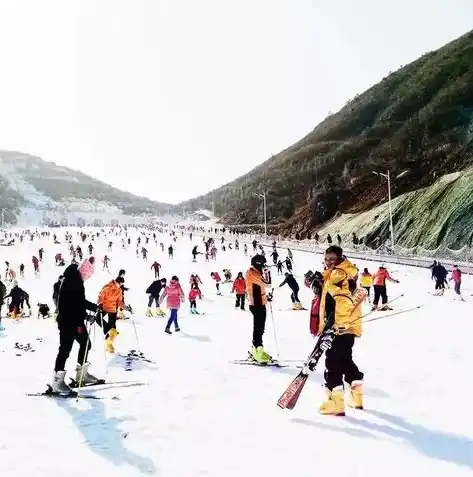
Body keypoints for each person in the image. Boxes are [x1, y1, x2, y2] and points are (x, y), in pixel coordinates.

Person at [317, 245, 365, 416]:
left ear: (339, 258)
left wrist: (338, 326)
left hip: (339, 327)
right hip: (348, 326)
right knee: (345, 360)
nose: (328, 261)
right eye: (326, 258)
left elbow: (342, 301)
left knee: (333, 363)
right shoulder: (346, 272)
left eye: (332, 258)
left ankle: (335, 403)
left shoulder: (338, 274)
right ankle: (357, 395)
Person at [51, 263, 100, 395]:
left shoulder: (75, 281)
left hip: (75, 321)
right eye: (87, 275)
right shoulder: (72, 283)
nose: (87, 278)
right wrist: (83, 318)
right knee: (65, 350)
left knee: (86, 344)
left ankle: (82, 375)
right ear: (83, 273)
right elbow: (70, 306)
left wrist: (93, 309)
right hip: (68, 322)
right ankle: (57, 383)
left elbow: (78, 303)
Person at [245, 254, 272, 364]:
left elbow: (259, 288)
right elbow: (268, 283)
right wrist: (267, 272)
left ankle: (257, 348)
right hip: (257, 305)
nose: (264, 266)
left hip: (259, 303)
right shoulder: (253, 273)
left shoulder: (255, 272)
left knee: (260, 328)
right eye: (263, 264)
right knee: (258, 329)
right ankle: (257, 350)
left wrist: (266, 297)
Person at [97, 276, 125, 353]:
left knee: (112, 326)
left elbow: (119, 301)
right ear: (117, 282)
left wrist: (125, 307)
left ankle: (109, 344)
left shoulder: (119, 290)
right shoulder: (107, 287)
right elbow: (101, 295)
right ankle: (108, 331)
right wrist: (100, 304)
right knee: (98, 319)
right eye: (121, 284)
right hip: (104, 306)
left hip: (112, 309)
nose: (121, 285)